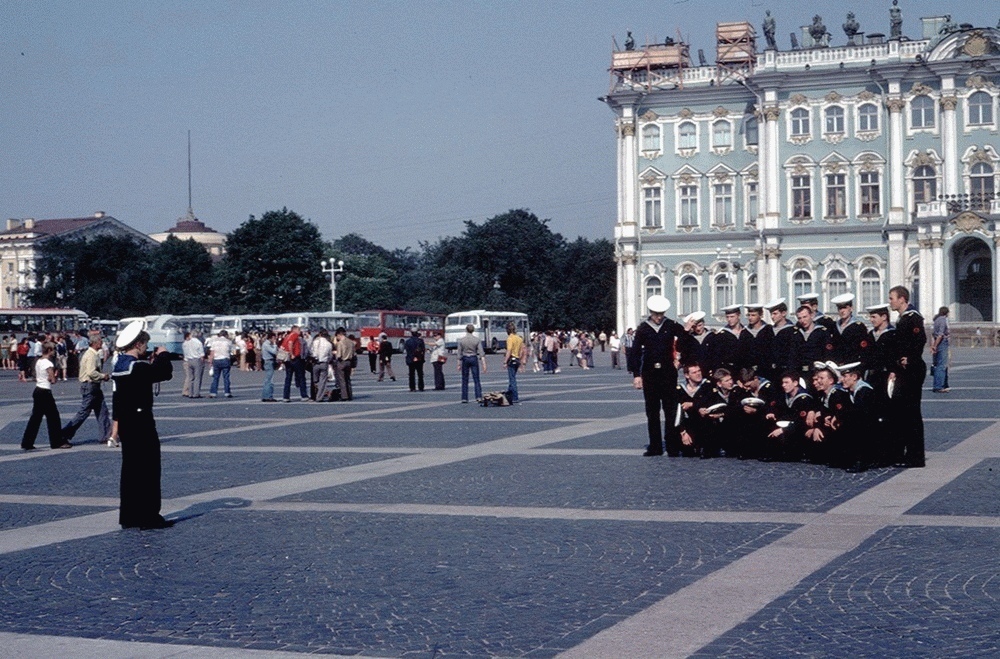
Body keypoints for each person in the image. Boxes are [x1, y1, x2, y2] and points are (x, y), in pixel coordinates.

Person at [111, 320, 174, 530]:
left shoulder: (120, 366)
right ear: (138, 344)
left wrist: (116, 427)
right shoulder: (137, 367)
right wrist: (164, 354)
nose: (146, 348)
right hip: (142, 422)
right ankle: (149, 516)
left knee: (130, 470)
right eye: (145, 345)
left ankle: (129, 515)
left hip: (127, 423)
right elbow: (163, 373)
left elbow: (116, 399)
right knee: (148, 468)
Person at [627, 295, 696, 457]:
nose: (659, 317)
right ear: (650, 312)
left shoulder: (670, 325)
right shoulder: (643, 328)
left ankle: (672, 445)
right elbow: (635, 352)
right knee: (652, 411)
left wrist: (680, 359)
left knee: (670, 410)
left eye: (661, 313)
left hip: (668, 373)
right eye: (656, 313)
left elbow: (686, 342)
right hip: (650, 374)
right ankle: (655, 446)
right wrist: (636, 375)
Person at [889, 285, 926, 468]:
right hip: (904, 369)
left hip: (912, 369)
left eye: (892, 298)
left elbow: (920, 340)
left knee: (912, 414)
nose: (890, 302)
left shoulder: (913, 318)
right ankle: (907, 453)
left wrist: (909, 358)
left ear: (902, 299)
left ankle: (916, 456)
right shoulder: (902, 318)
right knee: (903, 412)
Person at [60, 333, 113, 447]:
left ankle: (107, 435)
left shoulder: (92, 353)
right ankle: (64, 433)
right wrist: (103, 376)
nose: (102, 343)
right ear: (95, 343)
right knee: (84, 412)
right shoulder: (91, 355)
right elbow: (91, 372)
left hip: (94, 386)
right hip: (90, 385)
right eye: (100, 341)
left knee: (102, 411)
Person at [21, 342, 72, 450]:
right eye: (53, 350)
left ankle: (27, 442)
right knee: (53, 418)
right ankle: (56, 442)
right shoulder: (48, 364)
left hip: (38, 389)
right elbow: (52, 380)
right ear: (49, 350)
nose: (54, 353)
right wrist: (55, 376)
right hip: (45, 391)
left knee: (35, 418)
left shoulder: (38, 361)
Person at [830, 293, 868, 364]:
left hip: (853, 364)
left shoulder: (858, 327)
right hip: (837, 364)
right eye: (840, 308)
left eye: (845, 307)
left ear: (851, 308)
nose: (842, 311)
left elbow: (863, 349)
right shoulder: (835, 326)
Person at [458, 323, 486, 403]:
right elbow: (481, 352)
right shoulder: (476, 340)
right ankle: (478, 396)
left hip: (465, 358)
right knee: (476, 379)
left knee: (464, 379)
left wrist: (458, 364)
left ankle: (464, 397)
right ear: (473, 330)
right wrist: (484, 364)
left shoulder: (462, 340)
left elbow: (459, 353)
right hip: (474, 357)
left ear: (466, 330)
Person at [281, 325, 309, 401]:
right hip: (295, 358)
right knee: (301, 376)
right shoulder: (294, 335)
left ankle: (286, 396)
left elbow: (283, 346)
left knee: (288, 378)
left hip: (287, 360)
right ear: (295, 330)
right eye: (299, 330)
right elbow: (290, 344)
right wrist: (292, 354)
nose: (300, 331)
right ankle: (304, 395)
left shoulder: (287, 336)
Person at [504, 322, 527, 403]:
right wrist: (521, 361)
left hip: (511, 359)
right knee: (512, 377)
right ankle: (508, 395)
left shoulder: (510, 338)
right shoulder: (519, 338)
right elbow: (522, 350)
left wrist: (505, 361)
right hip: (517, 359)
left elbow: (509, 351)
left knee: (512, 379)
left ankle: (515, 397)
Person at [207, 329, 234, 398]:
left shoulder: (214, 341)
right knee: (226, 377)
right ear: (226, 335)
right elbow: (231, 351)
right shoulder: (228, 342)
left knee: (215, 377)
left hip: (216, 360)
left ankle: (213, 392)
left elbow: (212, 353)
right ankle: (227, 392)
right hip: (225, 359)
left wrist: (210, 362)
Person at [310, 328, 334, 401]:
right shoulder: (329, 344)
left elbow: (311, 351)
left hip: (315, 363)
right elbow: (330, 355)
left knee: (315, 380)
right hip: (324, 363)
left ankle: (315, 393)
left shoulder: (315, 342)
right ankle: (319, 397)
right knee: (323, 381)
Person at [931, 306, 950, 393]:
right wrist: (935, 345)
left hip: (936, 342)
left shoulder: (936, 320)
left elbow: (933, 334)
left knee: (937, 364)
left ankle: (940, 384)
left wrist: (933, 345)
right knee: (941, 365)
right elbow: (940, 334)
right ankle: (938, 386)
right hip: (942, 342)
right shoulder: (943, 320)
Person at [181, 331, 206, 398]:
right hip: (196, 359)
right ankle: (196, 393)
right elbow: (202, 353)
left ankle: (190, 393)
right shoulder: (198, 342)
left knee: (190, 378)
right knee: (197, 377)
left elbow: (185, 353)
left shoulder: (185, 343)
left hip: (188, 360)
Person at [334, 327, 355, 401]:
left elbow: (339, 355)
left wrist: (335, 354)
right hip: (349, 362)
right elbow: (353, 354)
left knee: (342, 380)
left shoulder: (340, 343)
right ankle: (350, 395)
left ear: (339, 335)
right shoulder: (351, 342)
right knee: (348, 379)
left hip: (342, 362)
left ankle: (344, 396)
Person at [260, 330, 278, 402]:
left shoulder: (266, 344)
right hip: (268, 361)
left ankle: (265, 396)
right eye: (274, 338)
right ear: (271, 338)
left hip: (269, 361)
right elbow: (274, 351)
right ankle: (268, 396)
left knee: (268, 379)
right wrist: (275, 344)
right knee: (269, 380)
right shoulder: (267, 344)